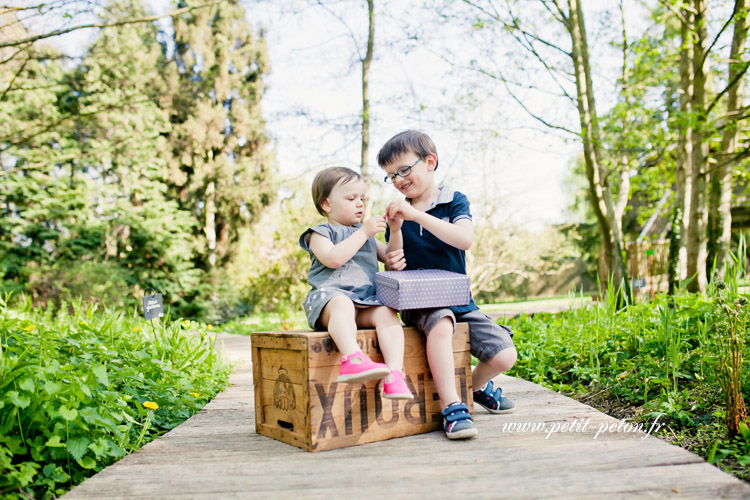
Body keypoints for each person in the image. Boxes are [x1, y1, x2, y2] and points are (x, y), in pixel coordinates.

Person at [377, 130, 518, 439]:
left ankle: (473, 387)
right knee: (441, 324)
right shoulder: (399, 212)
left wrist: (418, 216)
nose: (398, 180)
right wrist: (398, 231)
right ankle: (452, 407)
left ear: (430, 162)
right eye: (390, 176)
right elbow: (393, 258)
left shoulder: (454, 200)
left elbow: (464, 239)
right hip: (420, 302)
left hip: (458, 298)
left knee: (505, 355)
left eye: (403, 170)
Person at [299, 166, 413, 400]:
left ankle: (394, 375)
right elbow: (333, 259)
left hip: (363, 304)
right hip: (328, 304)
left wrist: (395, 230)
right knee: (342, 303)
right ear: (327, 204)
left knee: (387, 313)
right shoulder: (320, 234)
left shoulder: (366, 236)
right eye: (351, 198)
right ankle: (352, 359)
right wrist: (363, 232)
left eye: (361, 198)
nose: (360, 203)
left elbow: (391, 258)